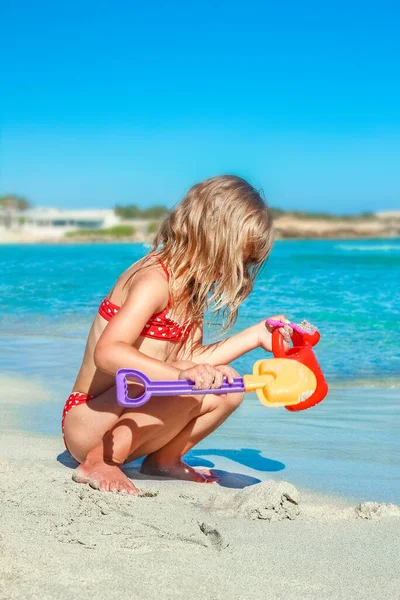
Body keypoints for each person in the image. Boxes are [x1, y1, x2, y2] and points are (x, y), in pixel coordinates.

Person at [63, 175, 290, 495]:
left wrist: (256, 336)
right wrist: (181, 373)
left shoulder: (189, 293)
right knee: (189, 385)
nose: (238, 271)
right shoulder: (154, 280)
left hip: (131, 414)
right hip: (91, 419)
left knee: (227, 386)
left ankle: (164, 460)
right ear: (211, 238)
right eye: (238, 259)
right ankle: (97, 462)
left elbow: (190, 362)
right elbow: (108, 352)